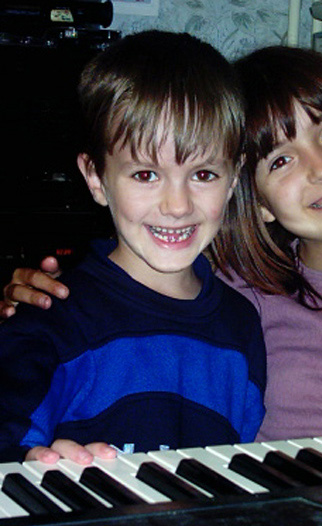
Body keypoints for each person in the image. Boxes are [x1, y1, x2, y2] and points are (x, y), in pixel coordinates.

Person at [3, 45, 322, 440]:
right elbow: (134, 292)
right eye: (280, 159)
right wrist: (21, 303)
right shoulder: (239, 292)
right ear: (253, 199)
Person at [0, 30, 266, 465]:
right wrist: (33, 464)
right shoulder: (50, 316)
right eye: (145, 174)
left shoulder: (242, 326)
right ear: (95, 177)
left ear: (234, 178)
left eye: (203, 175)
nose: (177, 206)